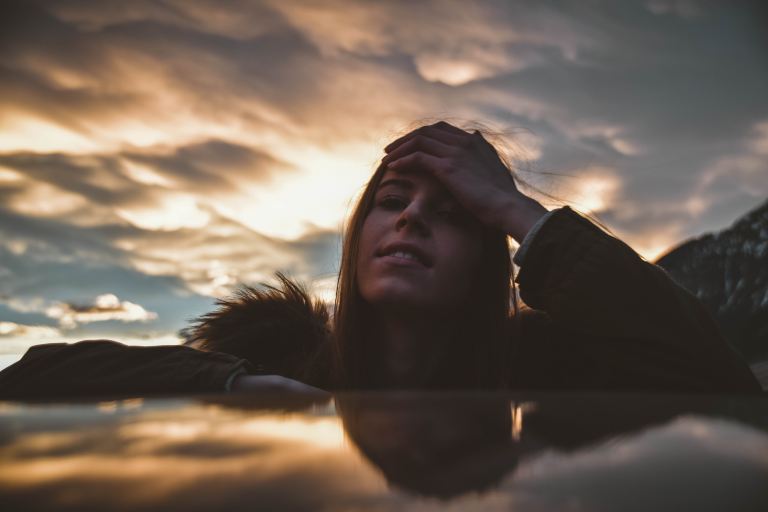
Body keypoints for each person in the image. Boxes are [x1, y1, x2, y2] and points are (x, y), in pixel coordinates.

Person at [0, 121, 760, 398]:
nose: (412, 220)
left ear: (490, 258)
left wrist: (521, 213)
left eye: (456, 213)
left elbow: (721, 382)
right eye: (392, 201)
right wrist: (234, 383)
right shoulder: (273, 359)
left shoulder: (552, 377)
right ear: (359, 235)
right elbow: (36, 373)